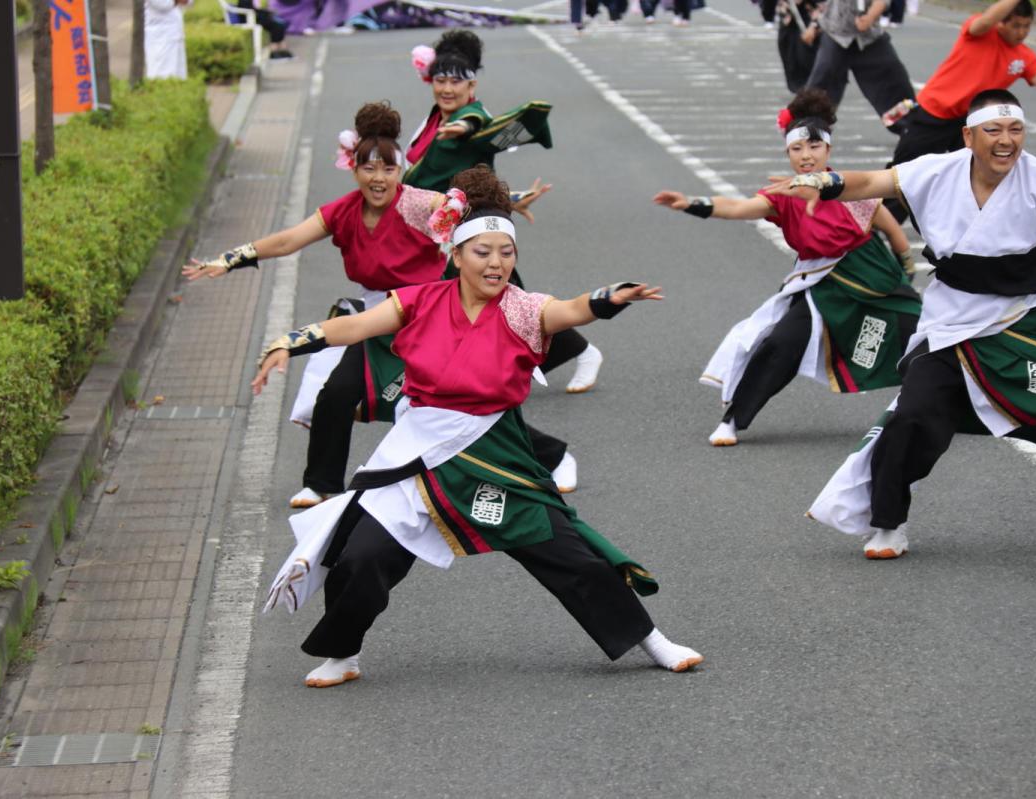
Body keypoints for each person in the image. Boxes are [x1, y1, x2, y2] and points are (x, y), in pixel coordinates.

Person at [255, 167, 703, 687]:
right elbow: (352, 326)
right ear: (457, 255)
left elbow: (570, 310)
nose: (496, 263)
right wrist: (288, 341)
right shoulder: (419, 300)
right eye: (482, 252)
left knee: (567, 551)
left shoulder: (522, 310)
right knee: (363, 556)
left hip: (494, 453)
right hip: (418, 456)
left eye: (506, 253)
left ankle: (651, 640)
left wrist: (606, 300)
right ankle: (343, 654)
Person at [185, 104, 549, 509]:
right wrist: (232, 257)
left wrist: (508, 202)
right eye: (369, 169)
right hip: (379, 316)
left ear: (400, 172)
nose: (379, 179)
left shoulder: (412, 204)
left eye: (389, 170)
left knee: (451, 402)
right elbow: (289, 240)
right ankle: (322, 483)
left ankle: (549, 455)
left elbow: (452, 206)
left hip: (428, 315)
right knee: (338, 393)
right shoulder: (343, 211)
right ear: (353, 168)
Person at [771, 90, 1036, 559]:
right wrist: (826, 180)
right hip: (952, 321)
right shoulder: (937, 170)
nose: (1006, 141)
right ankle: (888, 523)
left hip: (1025, 315)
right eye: (993, 131)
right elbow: (873, 180)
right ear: (968, 136)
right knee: (913, 415)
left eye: (1015, 130)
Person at [654, 89, 921, 447]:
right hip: (823, 283)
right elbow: (737, 208)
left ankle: (950, 405)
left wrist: (907, 266)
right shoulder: (782, 195)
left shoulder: (847, 186)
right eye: (797, 149)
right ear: (788, 153)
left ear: (828, 150)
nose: (806, 156)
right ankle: (733, 419)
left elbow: (889, 226)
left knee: (927, 339)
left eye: (814, 148)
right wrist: (692, 204)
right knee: (780, 345)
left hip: (877, 279)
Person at [408, 30, 605, 395]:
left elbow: (476, 126)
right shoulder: (436, 116)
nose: (447, 88)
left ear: (472, 85)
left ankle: (581, 350)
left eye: (455, 81)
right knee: (493, 298)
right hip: (449, 223)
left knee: (499, 299)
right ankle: (471, 368)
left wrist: (462, 128)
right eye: (440, 80)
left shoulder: (470, 115)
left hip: (472, 228)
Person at [885, 0, 1036, 221]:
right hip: (934, 114)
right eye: (1016, 26)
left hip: (970, 124)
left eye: (1027, 26)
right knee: (905, 175)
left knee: (977, 176)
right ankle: (877, 228)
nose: (1022, 32)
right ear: (1001, 23)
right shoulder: (979, 32)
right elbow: (986, 20)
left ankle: (975, 225)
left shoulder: (1023, 56)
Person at [803, 0, 915, 126]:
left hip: (869, 38)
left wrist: (870, 17)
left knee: (896, 86)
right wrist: (814, 25)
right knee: (820, 86)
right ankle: (810, 128)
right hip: (835, 34)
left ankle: (910, 127)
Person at [777, 0, 819, 92]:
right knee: (789, 54)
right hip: (788, 15)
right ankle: (801, 89)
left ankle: (811, 87)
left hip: (812, 16)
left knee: (806, 55)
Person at [144, 0, 188, 80]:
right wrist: (177, 1)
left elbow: (187, 2)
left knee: (179, 76)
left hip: (175, 33)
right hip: (159, 35)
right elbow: (162, 4)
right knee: (161, 75)